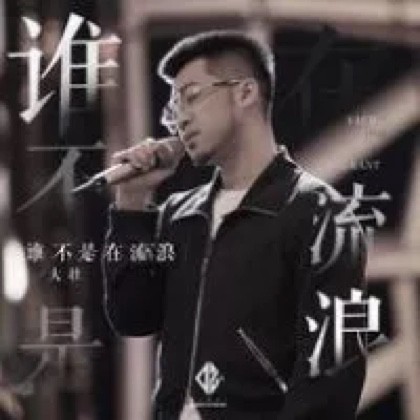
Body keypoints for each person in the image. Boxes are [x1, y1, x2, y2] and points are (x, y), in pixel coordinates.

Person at [102, 30, 367, 420]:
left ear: (245, 93)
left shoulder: (321, 214)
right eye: (174, 107)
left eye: (192, 97)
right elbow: (131, 316)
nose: (180, 119)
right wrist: (131, 203)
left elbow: (333, 374)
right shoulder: (180, 214)